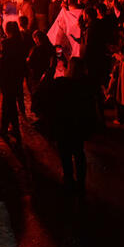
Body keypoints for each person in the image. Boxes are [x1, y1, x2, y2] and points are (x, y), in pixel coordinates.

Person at [33, 58, 95, 195]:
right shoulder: (86, 85)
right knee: (78, 152)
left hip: (64, 124)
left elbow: (43, 89)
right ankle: (81, 182)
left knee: (65, 152)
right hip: (78, 125)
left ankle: (69, 179)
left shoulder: (62, 83)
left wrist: (50, 69)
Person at [0, 22, 27, 142]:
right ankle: (11, 127)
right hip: (17, 76)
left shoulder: (6, 43)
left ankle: (9, 128)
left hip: (8, 77)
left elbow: (2, 61)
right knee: (10, 102)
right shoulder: (21, 42)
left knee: (8, 102)